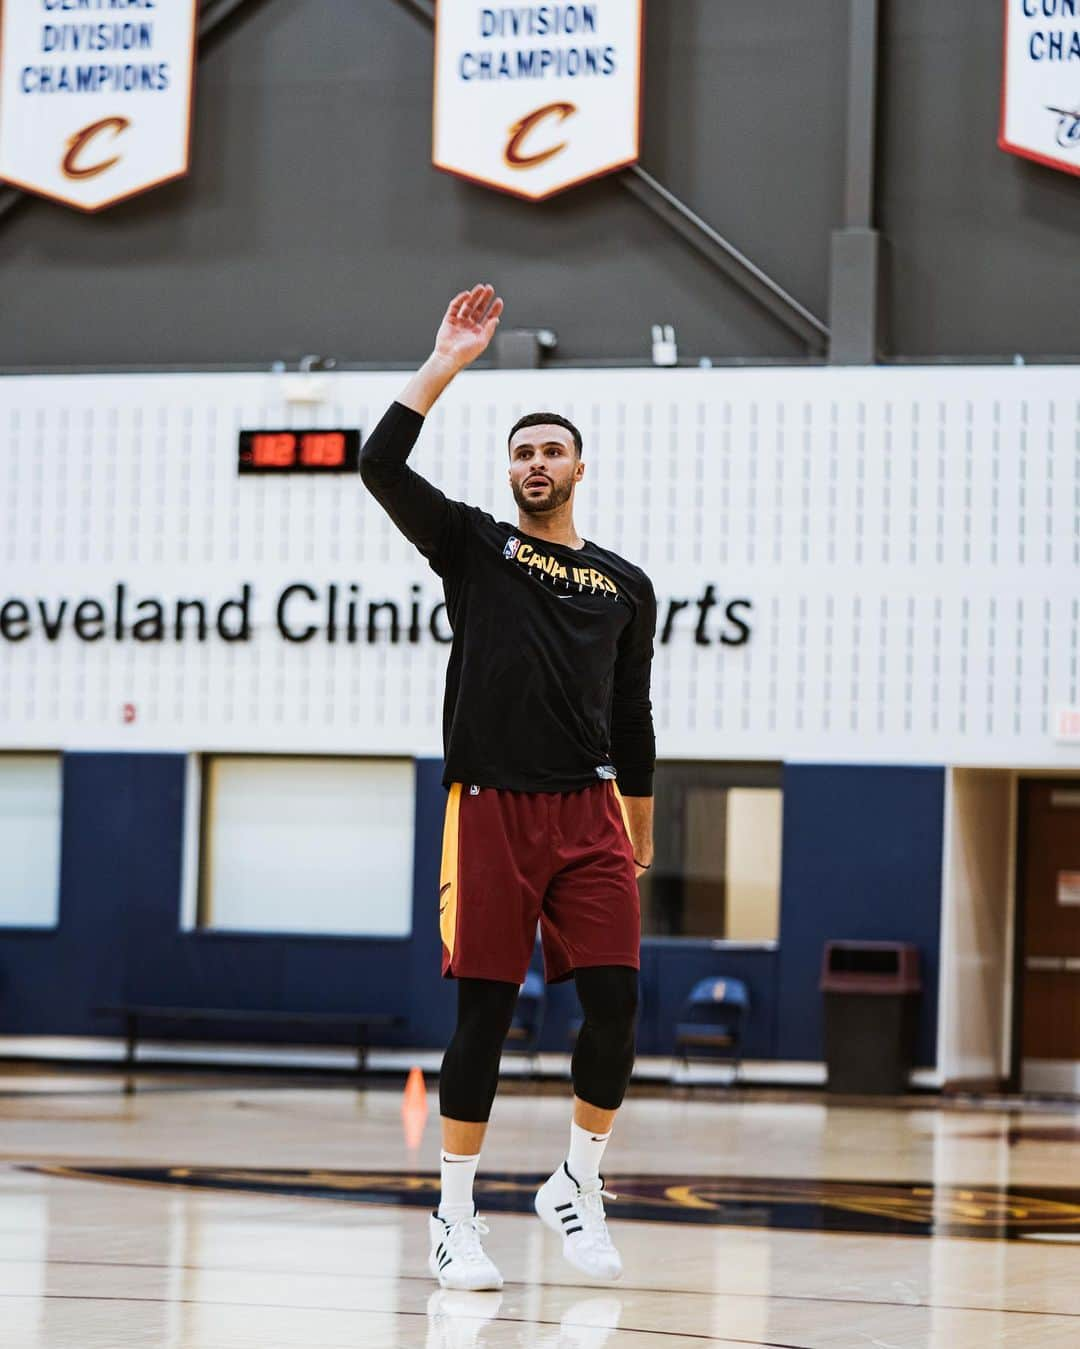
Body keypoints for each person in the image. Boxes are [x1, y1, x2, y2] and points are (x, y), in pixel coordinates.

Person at [360, 284, 656, 1291]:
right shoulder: (476, 546)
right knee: (484, 1014)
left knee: (615, 1004)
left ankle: (577, 1181)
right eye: (522, 450)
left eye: (552, 449)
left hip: (590, 812)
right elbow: (379, 463)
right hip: (489, 807)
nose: (537, 462)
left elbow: (634, 716)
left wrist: (639, 826)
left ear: (579, 465)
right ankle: (453, 1215)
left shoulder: (625, 584)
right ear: (511, 471)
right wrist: (444, 362)